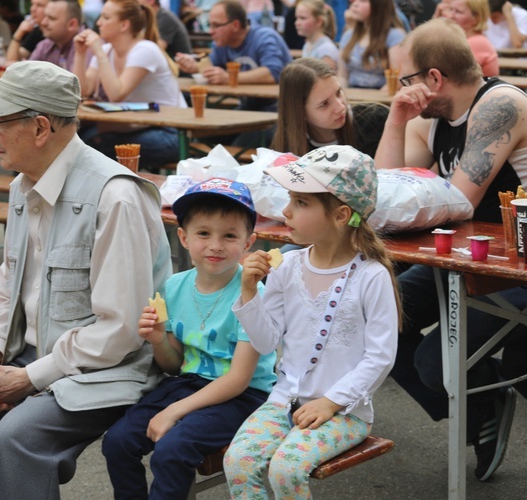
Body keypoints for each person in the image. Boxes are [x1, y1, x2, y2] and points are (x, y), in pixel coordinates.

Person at [0, 60, 172, 499]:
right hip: (33, 357)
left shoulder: (114, 196)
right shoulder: (21, 186)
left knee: (18, 434)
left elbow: (122, 331)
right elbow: (6, 289)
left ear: (39, 128)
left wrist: (31, 377)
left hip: (110, 369)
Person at [374, 18, 527, 481]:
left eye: (407, 79)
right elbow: (382, 196)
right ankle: (483, 405)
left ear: (434, 79)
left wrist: (411, 200)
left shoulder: (501, 104)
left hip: (516, 264)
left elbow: (460, 201)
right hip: (466, 257)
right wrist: (396, 117)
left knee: (433, 361)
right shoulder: (432, 120)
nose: (403, 90)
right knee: (378, 318)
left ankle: (482, 396)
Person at [224, 145, 400, 498]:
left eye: (301, 203)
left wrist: (331, 401)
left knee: (287, 470)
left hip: (345, 412)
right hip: (284, 401)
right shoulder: (287, 267)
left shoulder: (372, 276)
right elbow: (266, 342)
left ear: (340, 215)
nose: (286, 210)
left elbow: (380, 357)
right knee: (238, 461)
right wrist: (248, 292)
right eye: (290, 199)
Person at [102, 179, 277, 499]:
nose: (216, 245)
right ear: (183, 237)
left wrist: (174, 411)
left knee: (171, 450)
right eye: (203, 233)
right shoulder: (175, 286)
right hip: (189, 383)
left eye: (229, 235)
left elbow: (239, 380)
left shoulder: (253, 293)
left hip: (244, 396)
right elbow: (173, 364)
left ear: (248, 242)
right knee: (118, 441)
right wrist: (157, 340)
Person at [73, 0, 186, 170]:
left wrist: (98, 52)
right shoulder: (107, 50)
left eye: (106, 17)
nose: (98, 23)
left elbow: (117, 94)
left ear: (124, 25)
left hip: (171, 132)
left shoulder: (145, 49)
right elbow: (83, 90)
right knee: (79, 140)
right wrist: (80, 54)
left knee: (90, 148)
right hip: (135, 127)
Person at [176, 0, 292, 112]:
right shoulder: (222, 43)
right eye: (209, 25)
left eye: (216, 25)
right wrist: (194, 67)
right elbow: (214, 68)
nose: (211, 31)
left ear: (235, 25)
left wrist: (228, 78)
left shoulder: (264, 38)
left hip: (279, 109)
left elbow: (272, 74)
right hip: (249, 108)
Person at [272, 57, 356, 157]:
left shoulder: (372, 122)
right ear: (301, 112)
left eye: (338, 92)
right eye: (324, 104)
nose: (340, 107)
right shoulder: (286, 145)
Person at [339, 0, 405, 89]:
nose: (355, 4)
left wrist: (373, 100)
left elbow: (398, 79)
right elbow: (342, 76)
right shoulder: (348, 36)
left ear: (379, 5)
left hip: (381, 98)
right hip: (351, 96)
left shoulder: (395, 36)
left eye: (363, 1)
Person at [447, 0, 499, 76]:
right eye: (450, 9)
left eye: (458, 12)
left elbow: (453, 77)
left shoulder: (477, 42)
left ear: (476, 18)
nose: (451, 16)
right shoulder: (461, 39)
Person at [29, 0, 82, 71]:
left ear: (72, 24)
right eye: (45, 16)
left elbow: (78, 82)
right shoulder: (45, 45)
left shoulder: (87, 45)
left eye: (51, 18)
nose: (43, 22)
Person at [295, 0, 340, 70]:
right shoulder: (308, 45)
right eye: (297, 18)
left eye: (303, 18)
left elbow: (326, 80)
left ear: (319, 21)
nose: (297, 23)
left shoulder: (326, 50)